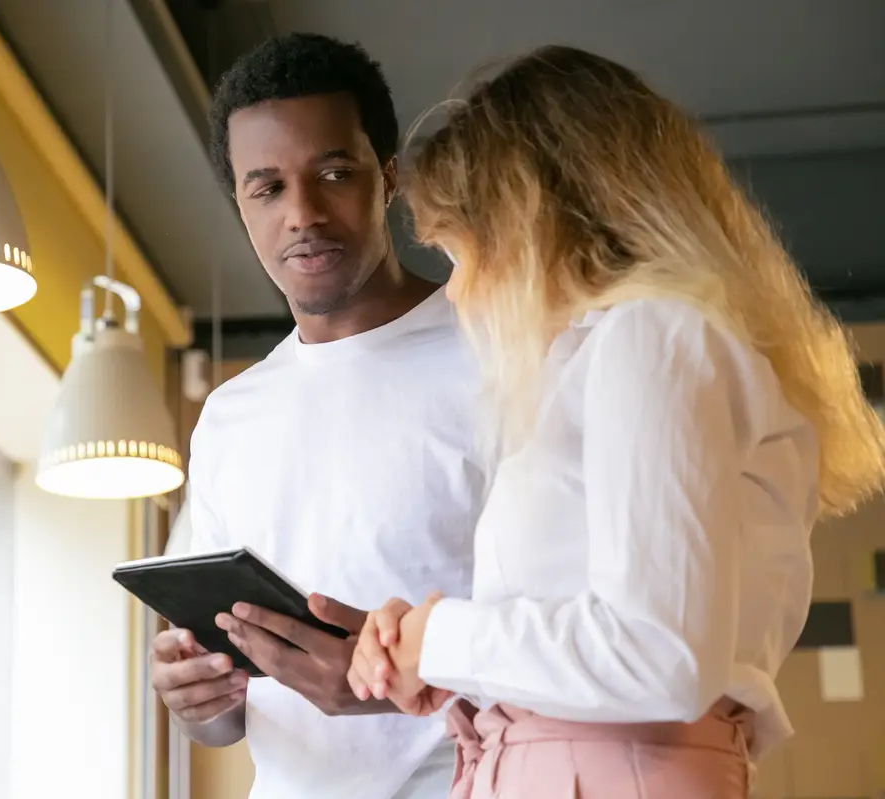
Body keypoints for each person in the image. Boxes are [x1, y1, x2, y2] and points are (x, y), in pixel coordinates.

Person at [347, 45, 885, 798]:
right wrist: (440, 656)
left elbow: (658, 654)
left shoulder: (652, 336)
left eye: (458, 254)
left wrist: (442, 638)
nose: (457, 292)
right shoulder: (642, 346)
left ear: (530, 223)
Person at [148, 33, 495, 799]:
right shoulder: (230, 417)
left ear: (389, 176)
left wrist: (396, 673)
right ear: (241, 206)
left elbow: (582, 634)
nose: (302, 213)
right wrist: (198, 697)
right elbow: (226, 713)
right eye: (267, 189)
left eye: (334, 174)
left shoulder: (502, 355)